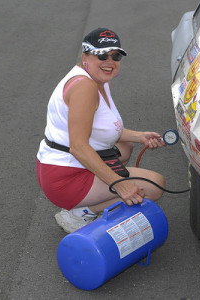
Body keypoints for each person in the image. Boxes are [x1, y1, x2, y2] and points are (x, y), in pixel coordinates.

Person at [36, 28, 166, 233]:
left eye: (115, 56)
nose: (109, 61)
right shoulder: (85, 87)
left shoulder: (98, 80)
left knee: (124, 145)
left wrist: (139, 136)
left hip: (66, 164)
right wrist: (119, 185)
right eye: (101, 55)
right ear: (85, 56)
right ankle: (79, 213)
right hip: (64, 176)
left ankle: (95, 195)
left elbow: (101, 129)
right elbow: (78, 147)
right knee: (155, 185)